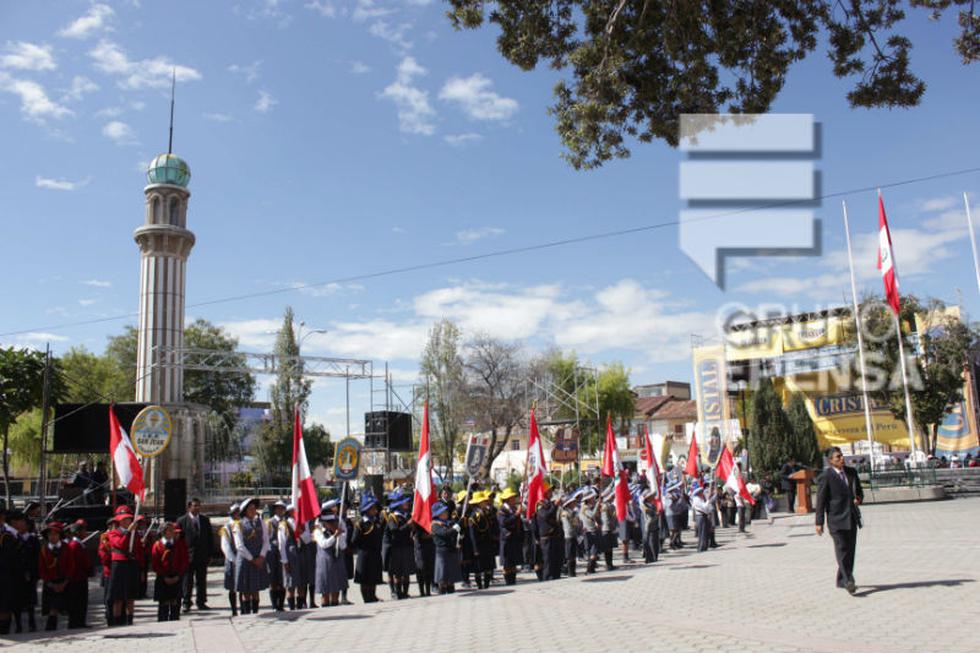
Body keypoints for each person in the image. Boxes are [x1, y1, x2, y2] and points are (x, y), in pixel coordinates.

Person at [815, 446, 864, 594]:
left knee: (850, 550)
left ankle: (841, 579)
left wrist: (858, 499)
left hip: (851, 517)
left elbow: (859, 492)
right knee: (842, 548)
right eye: (838, 457)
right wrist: (819, 522)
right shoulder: (826, 476)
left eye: (842, 455)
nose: (842, 458)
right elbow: (820, 501)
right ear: (830, 461)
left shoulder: (851, 472)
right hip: (835, 519)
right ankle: (848, 580)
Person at [233, 497, 270, 614]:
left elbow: (266, 540)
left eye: (254, 508)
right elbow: (239, 545)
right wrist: (252, 559)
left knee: (255, 589)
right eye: (250, 508)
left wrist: (262, 556)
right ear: (245, 511)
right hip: (246, 560)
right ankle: (246, 612)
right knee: (246, 589)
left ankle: (255, 611)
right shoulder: (238, 524)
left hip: (258, 558)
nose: (253, 510)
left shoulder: (261, 522)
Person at [106, 505, 141, 625]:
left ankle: (130, 619)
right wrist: (128, 532)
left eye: (129, 519)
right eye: (124, 519)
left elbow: (137, 548)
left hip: (131, 563)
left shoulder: (135, 533)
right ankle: (116, 620)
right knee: (118, 596)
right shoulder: (113, 533)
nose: (127, 521)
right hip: (119, 564)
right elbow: (121, 544)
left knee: (131, 595)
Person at [177, 497, 213, 612]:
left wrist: (210, 554)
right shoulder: (182, 521)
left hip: (202, 556)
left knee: (201, 580)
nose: (197, 508)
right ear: (189, 507)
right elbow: (178, 540)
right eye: (195, 506)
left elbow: (209, 538)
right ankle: (186, 602)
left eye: (199, 505)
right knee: (187, 581)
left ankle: (201, 601)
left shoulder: (204, 520)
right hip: (187, 556)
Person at [38, 521, 73, 631]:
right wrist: (50, 584)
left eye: (55, 534)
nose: (52, 537)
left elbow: (71, 566)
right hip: (50, 583)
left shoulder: (66, 548)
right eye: (50, 534)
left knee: (65, 607)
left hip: (64, 582)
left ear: (60, 535)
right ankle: (50, 628)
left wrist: (65, 582)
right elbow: (42, 569)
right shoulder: (44, 550)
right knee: (52, 608)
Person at [350, 492, 384, 603]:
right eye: (372, 508)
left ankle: (373, 596)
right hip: (364, 554)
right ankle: (366, 598)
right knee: (365, 578)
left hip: (375, 553)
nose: (375, 510)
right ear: (367, 509)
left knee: (373, 576)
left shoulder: (376, 521)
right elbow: (354, 540)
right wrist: (363, 546)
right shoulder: (361, 523)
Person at [313, 500, 348, 606]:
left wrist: (339, 536)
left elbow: (343, 546)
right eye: (329, 522)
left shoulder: (337, 529)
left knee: (336, 589)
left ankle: (335, 604)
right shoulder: (318, 531)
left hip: (336, 560)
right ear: (324, 522)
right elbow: (324, 544)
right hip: (325, 562)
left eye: (333, 521)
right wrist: (334, 536)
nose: (332, 524)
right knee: (325, 590)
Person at [151, 523, 188, 621]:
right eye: (170, 530)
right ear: (163, 532)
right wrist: (164, 577)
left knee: (175, 603)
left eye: (173, 530)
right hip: (163, 578)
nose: (173, 532)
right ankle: (163, 619)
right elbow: (155, 563)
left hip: (176, 576)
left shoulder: (178, 544)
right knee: (164, 603)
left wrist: (178, 575)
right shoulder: (157, 545)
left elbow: (184, 560)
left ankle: (175, 618)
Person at [383, 491, 415, 599]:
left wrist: (412, 528)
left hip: (406, 546)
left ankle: (405, 592)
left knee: (406, 571)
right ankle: (397, 592)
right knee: (397, 572)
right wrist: (407, 525)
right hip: (396, 547)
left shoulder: (407, 515)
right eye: (405, 502)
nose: (407, 504)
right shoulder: (393, 517)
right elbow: (395, 532)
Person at [65, 520, 92, 629]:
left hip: (81, 576)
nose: (85, 533)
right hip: (77, 577)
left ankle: (80, 621)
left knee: (81, 601)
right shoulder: (74, 545)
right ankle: (75, 622)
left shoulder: (78, 544)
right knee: (77, 601)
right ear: (78, 532)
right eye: (83, 531)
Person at [533, 485, 563, 581]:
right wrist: (555, 505)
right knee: (548, 559)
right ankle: (548, 577)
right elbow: (545, 515)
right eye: (549, 491)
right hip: (546, 537)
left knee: (556, 558)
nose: (551, 493)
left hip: (555, 535)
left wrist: (557, 504)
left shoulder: (550, 503)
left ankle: (556, 575)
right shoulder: (540, 504)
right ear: (544, 493)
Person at [430, 501, 461, 594]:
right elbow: (445, 534)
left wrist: (460, 523)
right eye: (443, 512)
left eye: (446, 511)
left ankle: (451, 587)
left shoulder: (448, 522)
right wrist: (454, 529)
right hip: (442, 551)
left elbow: (454, 531)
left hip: (451, 549)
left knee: (451, 572)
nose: (446, 513)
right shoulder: (435, 525)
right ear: (438, 514)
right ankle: (442, 589)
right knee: (442, 573)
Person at [467, 491, 496, 589]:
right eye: (483, 501)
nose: (486, 502)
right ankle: (479, 585)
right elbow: (472, 534)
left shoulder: (487, 512)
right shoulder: (474, 516)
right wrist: (475, 549)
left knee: (488, 565)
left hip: (487, 543)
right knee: (478, 567)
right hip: (479, 544)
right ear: (478, 503)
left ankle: (487, 584)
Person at [496, 487, 524, 585]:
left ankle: (513, 579)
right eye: (512, 498)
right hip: (507, 539)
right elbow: (504, 522)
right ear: (507, 499)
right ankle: (508, 580)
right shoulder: (502, 510)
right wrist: (516, 515)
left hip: (514, 539)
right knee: (507, 562)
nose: (514, 499)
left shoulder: (513, 509)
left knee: (513, 561)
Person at [218, 503, 241, 616]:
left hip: (243, 558)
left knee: (243, 586)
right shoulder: (226, 528)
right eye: (236, 512)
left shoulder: (242, 525)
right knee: (232, 587)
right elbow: (225, 546)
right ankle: (234, 609)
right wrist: (234, 559)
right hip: (232, 560)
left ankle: (244, 608)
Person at [265, 500, 287, 611]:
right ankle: (274, 605)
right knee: (273, 580)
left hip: (283, 553)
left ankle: (281, 605)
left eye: (282, 508)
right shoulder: (270, 522)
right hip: (272, 554)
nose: (280, 510)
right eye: (278, 508)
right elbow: (267, 538)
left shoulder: (286, 522)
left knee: (282, 580)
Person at [412, 509, 435, 597]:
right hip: (420, 547)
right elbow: (416, 533)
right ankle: (422, 591)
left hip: (429, 546)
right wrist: (428, 535)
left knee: (429, 568)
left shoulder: (429, 517)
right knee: (421, 569)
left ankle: (428, 591)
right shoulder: (416, 519)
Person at [579, 488, 600, 574]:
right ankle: (589, 569)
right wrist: (597, 505)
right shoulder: (585, 508)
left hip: (592, 529)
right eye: (592, 498)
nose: (593, 499)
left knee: (594, 551)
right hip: (588, 531)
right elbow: (592, 515)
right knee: (591, 551)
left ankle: (591, 568)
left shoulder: (588, 507)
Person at [560, 492, 581, 577]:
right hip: (569, 535)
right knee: (570, 554)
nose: (575, 503)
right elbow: (572, 524)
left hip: (573, 534)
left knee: (573, 554)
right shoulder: (566, 513)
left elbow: (577, 523)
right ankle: (570, 571)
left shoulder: (572, 512)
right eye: (573, 502)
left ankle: (573, 571)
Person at [691, 484, 716, 553]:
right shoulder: (697, 500)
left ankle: (704, 546)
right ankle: (701, 547)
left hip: (703, 516)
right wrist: (708, 500)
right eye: (701, 492)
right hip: (700, 516)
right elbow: (704, 507)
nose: (702, 493)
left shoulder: (700, 499)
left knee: (704, 532)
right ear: (698, 493)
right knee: (702, 532)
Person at [600, 487, 618, 570]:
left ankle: (611, 564)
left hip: (611, 529)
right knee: (607, 548)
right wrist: (612, 527)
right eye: (612, 496)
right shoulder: (605, 506)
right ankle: (608, 564)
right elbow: (606, 520)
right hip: (606, 529)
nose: (613, 497)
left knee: (610, 548)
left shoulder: (611, 506)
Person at [640, 489, 660, 563]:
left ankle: (654, 556)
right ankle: (649, 557)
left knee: (654, 541)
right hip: (648, 525)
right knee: (649, 542)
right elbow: (649, 517)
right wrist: (656, 515)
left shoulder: (652, 504)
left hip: (654, 525)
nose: (652, 497)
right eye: (651, 496)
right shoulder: (645, 506)